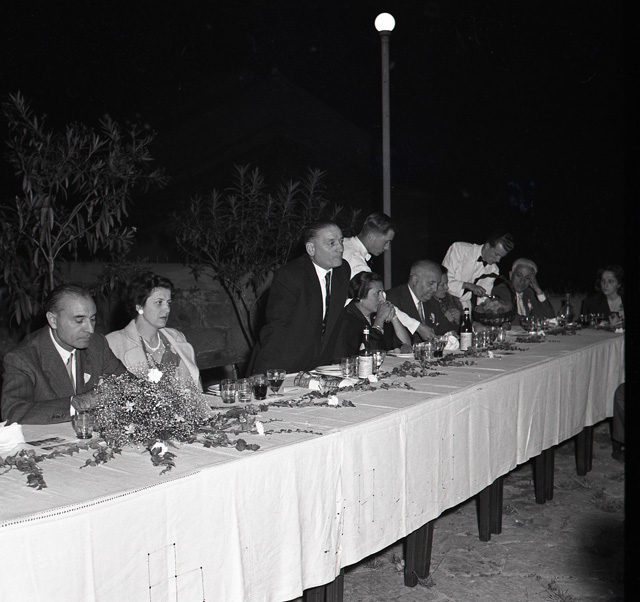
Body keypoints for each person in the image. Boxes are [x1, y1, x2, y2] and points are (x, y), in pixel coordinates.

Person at [1, 284, 127, 425]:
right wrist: (77, 403)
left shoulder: (97, 344)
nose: (90, 329)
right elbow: (12, 412)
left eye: (92, 319)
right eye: (79, 321)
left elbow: (129, 385)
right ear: (53, 320)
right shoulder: (22, 358)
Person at [251, 221, 350, 374]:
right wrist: (263, 374)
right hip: (286, 364)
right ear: (311, 249)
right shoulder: (291, 275)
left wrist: (341, 365)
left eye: (341, 241)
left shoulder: (342, 270)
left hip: (321, 366)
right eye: (331, 243)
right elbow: (277, 327)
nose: (341, 248)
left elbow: (337, 321)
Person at [342, 212, 435, 341]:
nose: (386, 248)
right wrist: (417, 326)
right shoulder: (355, 261)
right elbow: (381, 300)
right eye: (386, 242)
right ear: (372, 236)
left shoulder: (346, 244)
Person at [106, 272, 202, 390]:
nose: (167, 309)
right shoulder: (113, 343)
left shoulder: (177, 338)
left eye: (168, 303)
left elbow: (196, 390)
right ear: (139, 306)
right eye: (159, 302)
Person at [333, 272, 411, 360]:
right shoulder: (346, 320)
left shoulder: (375, 316)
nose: (382, 299)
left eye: (382, 293)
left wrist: (393, 317)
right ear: (360, 296)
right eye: (377, 294)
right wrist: (379, 320)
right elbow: (368, 355)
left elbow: (407, 346)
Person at [442, 231, 515, 310]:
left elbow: (482, 299)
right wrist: (468, 286)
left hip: (466, 308)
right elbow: (443, 283)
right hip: (444, 302)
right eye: (496, 254)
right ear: (487, 246)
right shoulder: (459, 249)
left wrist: (493, 305)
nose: (498, 260)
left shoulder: (494, 270)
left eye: (501, 257)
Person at [383, 260, 442, 348]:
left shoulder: (433, 303)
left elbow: (445, 331)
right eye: (431, 284)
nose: (435, 289)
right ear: (415, 280)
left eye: (437, 284)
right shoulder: (391, 298)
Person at [492, 258, 555, 325]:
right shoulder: (500, 291)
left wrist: (539, 291)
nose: (522, 281)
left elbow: (550, 317)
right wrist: (532, 321)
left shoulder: (529, 293)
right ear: (511, 275)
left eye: (527, 278)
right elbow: (511, 318)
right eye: (519, 275)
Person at [424, 265, 463, 335]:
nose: (447, 287)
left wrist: (459, 321)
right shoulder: (425, 304)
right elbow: (429, 335)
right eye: (442, 285)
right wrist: (445, 320)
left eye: (447, 283)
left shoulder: (453, 301)